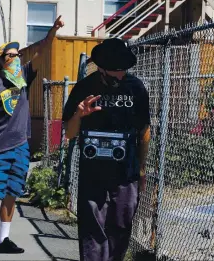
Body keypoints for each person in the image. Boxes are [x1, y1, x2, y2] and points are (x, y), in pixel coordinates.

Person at [0, 16, 64, 259]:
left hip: (21, 148)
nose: (15, 58)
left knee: (12, 194)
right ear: (1, 61)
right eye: (10, 55)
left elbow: (42, 51)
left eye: (17, 54)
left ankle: (3, 239)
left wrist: (52, 30)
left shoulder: (23, 78)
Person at [62, 38, 151, 261]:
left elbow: (144, 130)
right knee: (93, 231)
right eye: (114, 71)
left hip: (126, 172)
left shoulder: (136, 87)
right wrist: (79, 115)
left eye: (123, 70)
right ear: (101, 67)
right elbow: (69, 133)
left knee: (122, 225)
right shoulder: (84, 88)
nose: (120, 75)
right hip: (94, 172)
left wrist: (141, 168)